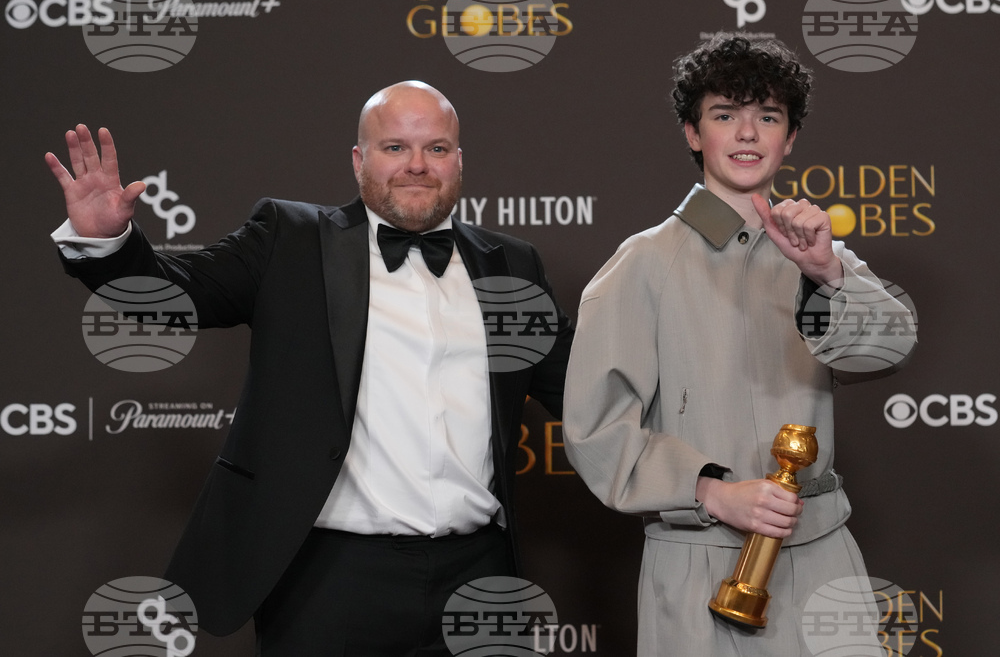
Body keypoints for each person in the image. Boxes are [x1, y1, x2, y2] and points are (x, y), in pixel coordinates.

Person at [46, 81, 574, 655]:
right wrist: (109, 244)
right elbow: (179, 295)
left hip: (479, 579)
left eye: (437, 148)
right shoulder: (291, 239)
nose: (417, 165)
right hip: (329, 582)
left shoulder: (512, 265)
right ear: (359, 159)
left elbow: (583, 387)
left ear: (459, 160)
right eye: (395, 147)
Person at [562, 34, 917, 655]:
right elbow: (597, 429)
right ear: (693, 134)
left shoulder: (818, 254)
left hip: (823, 557)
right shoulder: (642, 264)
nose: (748, 133)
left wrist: (828, 274)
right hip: (702, 557)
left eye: (768, 117)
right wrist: (713, 492)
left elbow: (889, 350)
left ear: (790, 137)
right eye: (726, 115)